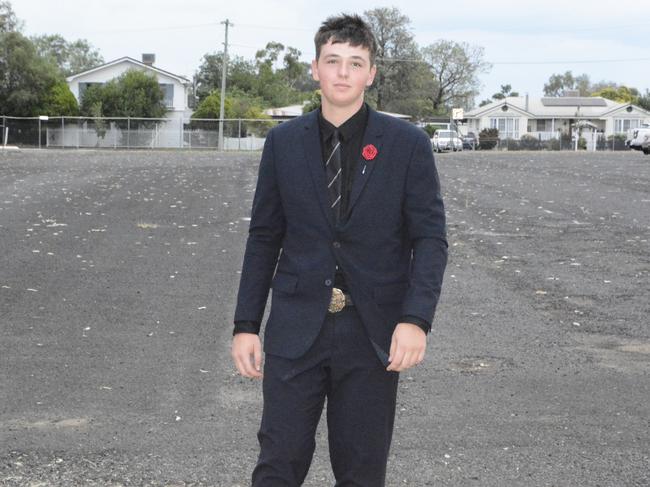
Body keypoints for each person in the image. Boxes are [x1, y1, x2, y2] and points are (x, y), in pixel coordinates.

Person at [231, 13, 447, 486]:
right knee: (277, 465)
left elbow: (430, 239)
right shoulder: (283, 143)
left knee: (362, 471)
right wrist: (246, 325)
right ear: (315, 69)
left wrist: (415, 320)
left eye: (355, 62)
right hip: (295, 330)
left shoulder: (408, 145)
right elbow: (264, 237)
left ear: (371, 73)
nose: (343, 72)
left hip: (372, 334)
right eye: (333, 61)